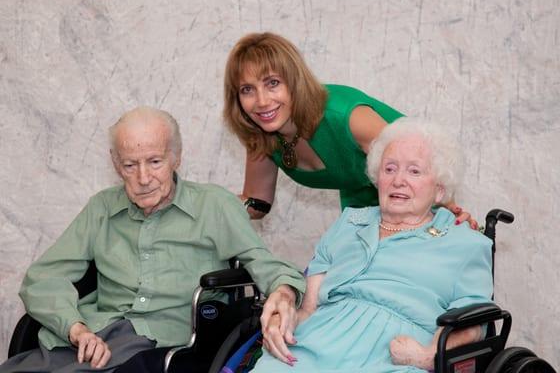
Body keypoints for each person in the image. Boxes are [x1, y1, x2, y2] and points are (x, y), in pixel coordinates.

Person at [0, 107, 305, 373]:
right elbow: (43, 277)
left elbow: (267, 266)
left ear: (176, 158)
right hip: (91, 336)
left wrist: (284, 293)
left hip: (163, 344)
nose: (143, 178)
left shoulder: (215, 206)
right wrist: (75, 328)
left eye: (155, 162)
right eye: (130, 165)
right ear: (115, 163)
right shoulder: (102, 208)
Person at [252, 117, 493, 372]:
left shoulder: (463, 241)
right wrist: (283, 322)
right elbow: (310, 308)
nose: (398, 180)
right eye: (389, 169)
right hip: (315, 345)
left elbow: (473, 323)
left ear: (440, 191)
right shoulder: (349, 223)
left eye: (414, 171)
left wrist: (428, 356)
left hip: (394, 356)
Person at [223, 32, 474, 226]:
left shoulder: (346, 117)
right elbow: (258, 203)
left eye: (273, 83)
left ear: (295, 82)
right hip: (360, 214)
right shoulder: (260, 133)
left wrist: (448, 209)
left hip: (414, 202)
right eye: (247, 89)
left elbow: (420, 175)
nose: (262, 101)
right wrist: (204, 204)